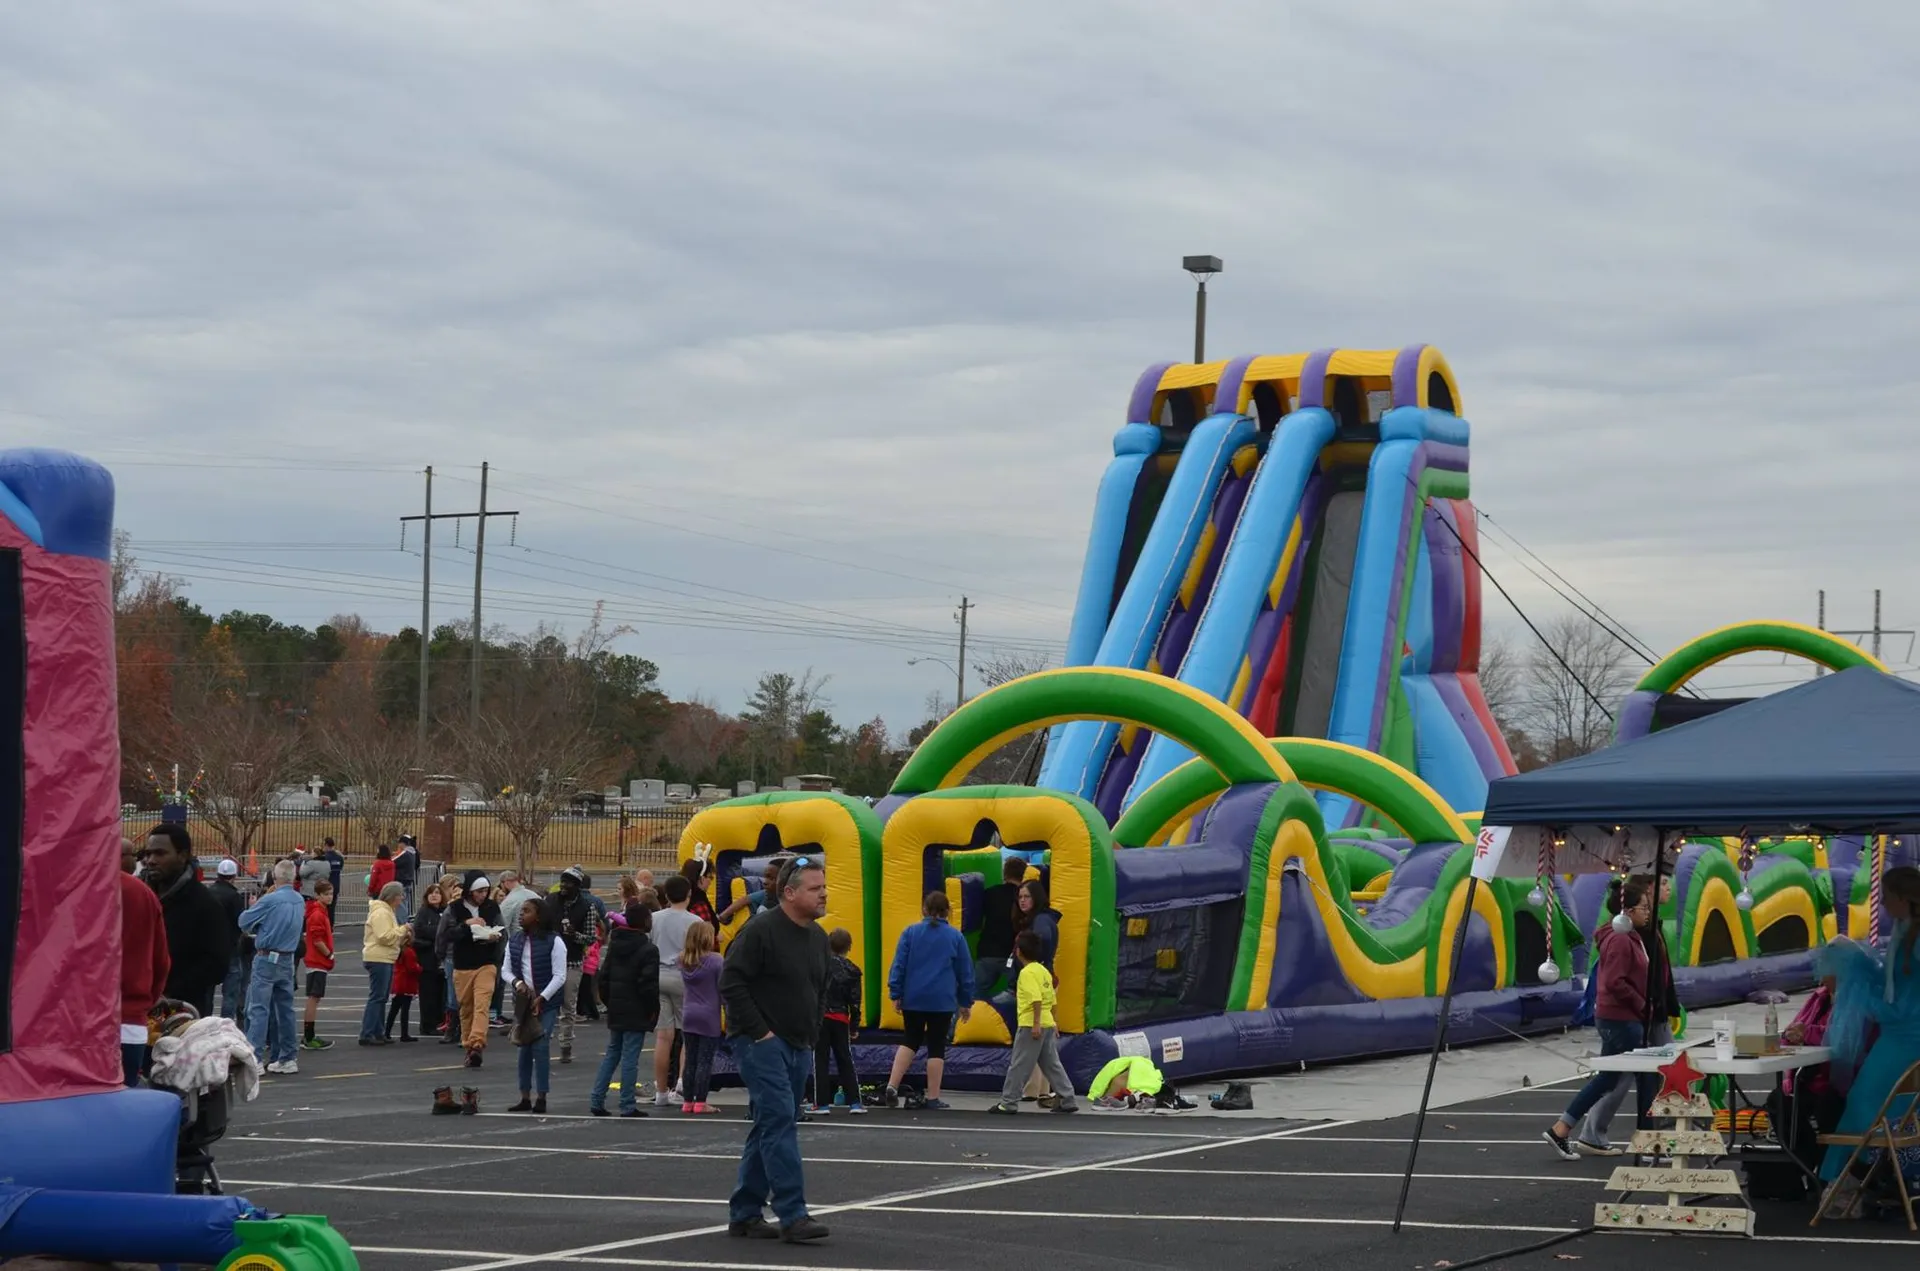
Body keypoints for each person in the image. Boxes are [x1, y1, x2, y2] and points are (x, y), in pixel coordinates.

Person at [720, 856, 832, 1244]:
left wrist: (813, 1031)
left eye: (824, 886)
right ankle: (793, 1214)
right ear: (789, 892)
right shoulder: (760, 930)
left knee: (771, 1122)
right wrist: (761, 1032)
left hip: (799, 1043)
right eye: (815, 888)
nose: (823, 894)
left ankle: (745, 1213)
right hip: (761, 1043)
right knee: (781, 1119)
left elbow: (821, 988)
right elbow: (731, 982)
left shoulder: (818, 937)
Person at [1819, 866, 1920, 1186]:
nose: (1883, 904)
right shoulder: (1904, 931)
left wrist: (1864, 984)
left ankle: (1851, 1174)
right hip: (1901, 1032)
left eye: (1887, 897)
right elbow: (1897, 985)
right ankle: (1883, 1172)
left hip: (1906, 1035)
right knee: (1897, 1106)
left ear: (1904, 898)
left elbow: (1901, 994)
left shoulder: (1914, 938)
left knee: (1864, 1100)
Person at [1544, 882, 1659, 1159]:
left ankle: (1561, 1128)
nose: (1648, 912)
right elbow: (1615, 982)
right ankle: (1647, 1143)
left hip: (1618, 1017)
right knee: (1647, 1075)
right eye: (1644, 907)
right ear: (1628, 911)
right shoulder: (1620, 939)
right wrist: (1643, 1005)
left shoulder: (1627, 936)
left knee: (1608, 1077)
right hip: (1622, 1019)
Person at [1576, 870, 1677, 1154]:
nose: (1667, 888)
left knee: (1640, 1074)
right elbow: (1619, 981)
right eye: (1662, 884)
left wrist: (1666, 1003)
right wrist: (1645, 1005)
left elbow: (1658, 971)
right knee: (1626, 1076)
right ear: (1646, 891)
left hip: (1647, 1010)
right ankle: (1590, 1130)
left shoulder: (1646, 926)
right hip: (1634, 1015)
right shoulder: (1627, 933)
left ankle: (1652, 1133)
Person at [884, 891, 975, 1110]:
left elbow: (899, 964)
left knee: (910, 1039)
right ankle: (933, 1097)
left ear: (924, 909)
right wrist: (965, 1001)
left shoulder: (910, 932)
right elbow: (965, 972)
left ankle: (892, 1085)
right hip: (942, 1000)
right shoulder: (955, 937)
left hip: (914, 997)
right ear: (948, 911)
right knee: (936, 1045)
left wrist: (896, 993)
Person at [143, 823, 234, 1017]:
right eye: (148, 854)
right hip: (135, 1009)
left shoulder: (205, 904)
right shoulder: (140, 898)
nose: (151, 861)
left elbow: (216, 964)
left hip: (182, 1013)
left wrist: (169, 992)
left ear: (182, 855)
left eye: (160, 854)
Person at [991, 930, 1080, 1114]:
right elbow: (1052, 1000)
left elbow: (1036, 999)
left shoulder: (1027, 973)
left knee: (1019, 1064)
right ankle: (1067, 1097)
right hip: (1047, 1023)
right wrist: (1053, 1022)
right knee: (1051, 1064)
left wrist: (1036, 1024)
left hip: (1031, 1024)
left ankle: (1008, 1102)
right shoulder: (1043, 971)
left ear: (1019, 951)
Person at [238, 859, 305, 1074]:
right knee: (285, 1010)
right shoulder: (299, 900)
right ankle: (287, 1057)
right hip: (287, 958)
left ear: (275, 878)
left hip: (267, 957)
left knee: (258, 1009)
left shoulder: (270, 900)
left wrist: (258, 911)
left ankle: (255, 1058)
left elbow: (243, 921)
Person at [590, 910, 659, 1117]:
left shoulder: (615, 945)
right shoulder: (648, 949)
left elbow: (604, 978)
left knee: (613, 1053)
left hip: (618, 1006)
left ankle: (597, 1099)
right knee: (630, 1057)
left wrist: (610, 1002)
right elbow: (648, 984)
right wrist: (652, 1009)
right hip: (637, 1008)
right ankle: (627, 1103)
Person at [504, 897, 567, 1114]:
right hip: (523, 1003)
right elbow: (506, 970)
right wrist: (517, 983)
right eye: (521, 911)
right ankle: (524, 1096)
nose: (521, 914)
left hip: (546, 1003)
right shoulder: (515, 940)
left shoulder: (554, 941)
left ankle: (542, 1096)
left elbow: (559, 975)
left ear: (539, 916)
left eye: (527, 911)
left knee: (540, 1046)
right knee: (523, 1047)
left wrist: (543, 997)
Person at [651, 874, 701, 1107]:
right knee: (688, 1034)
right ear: (688, 895)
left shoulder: (654, 918)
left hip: (658, 975)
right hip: (683, 976)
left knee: (663, 1036)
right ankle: (681, 1084)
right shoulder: (695, 921)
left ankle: (661, 1091)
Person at [119, 859, 170, 1087]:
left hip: (72, 1023)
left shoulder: (67, 884)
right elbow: (161, 961)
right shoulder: (141, 893)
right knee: (125, 1093)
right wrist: (147, 1000)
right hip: (129, 1022)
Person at [449, 872, 505, 1066]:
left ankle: (477, 1044)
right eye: (479, 891)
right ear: (470, 891)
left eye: (486, 891)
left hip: (486, 963)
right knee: (466, 1008)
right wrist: (466, 925)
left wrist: (496, 942)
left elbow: (502, 929)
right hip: (463, 964)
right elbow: (446, 934)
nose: (483, 895)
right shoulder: (454, 908)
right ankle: (469, 1046)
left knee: (482, 1004)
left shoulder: (491, 907)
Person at [810, 928, 864, 1114]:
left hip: (821, 1018)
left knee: (821, 1059)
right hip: (841, 1018)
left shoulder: (819, 966)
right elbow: (855, 1002)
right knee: (845, 1059)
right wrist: (854, 1026)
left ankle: (822, 1103)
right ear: (849, 947)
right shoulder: (853, 971)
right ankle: (854, 1102)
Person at [552, 866, 598, 1063]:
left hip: (572, 961)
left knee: (568, 1006)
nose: (563, 886)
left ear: (577, 886)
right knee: (544, 1004)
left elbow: (591, 938)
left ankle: (565, 1044)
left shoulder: (587, 907)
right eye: (562, 881)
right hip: (549, 960)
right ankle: (541, 1041)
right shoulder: (551, 901)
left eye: (568, 883)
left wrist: (574, 935)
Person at [679, 920, 725, 1114]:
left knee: (690, 1059)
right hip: (709, 1015)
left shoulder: (683, 959)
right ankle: (701, 1102)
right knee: (705, 1061)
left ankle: (687, 1101)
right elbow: (723, 990)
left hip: (688, 1013)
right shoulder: (716, 961)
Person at [360, 881, 410, 1045]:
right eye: (400, 895)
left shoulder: (386, 911)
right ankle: (367, 1033)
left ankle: (378, 1032)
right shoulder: (382, 913)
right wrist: (403, 930)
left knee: (381, 997)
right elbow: (384, 936)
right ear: (393, 897)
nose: (402, 899)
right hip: (378, 958)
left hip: (384, 957)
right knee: (377, 996)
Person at [975, 857, 1027, 997]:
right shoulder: (1024, 897)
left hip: (988, 952)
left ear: (1005, 874)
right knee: (1017, 995)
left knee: (975, 996)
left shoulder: (990, 893)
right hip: (1013, 953)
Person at [211, 857, 251, 1021]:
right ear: (234, 876)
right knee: (230, 992)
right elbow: (241, 922)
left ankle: (205, 1020)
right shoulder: (234, 896)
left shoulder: (208, 892)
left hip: (210, 948)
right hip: (230, 948)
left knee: (207, 991)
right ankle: (226, 1022)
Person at [301, 881, 336, 1050]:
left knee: (315, 997)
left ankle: (309, 1035)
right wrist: (329, 954)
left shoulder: (322, 912)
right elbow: (317, 940)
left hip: (319, 961)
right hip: (317, 961)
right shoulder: (317, 914)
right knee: (314, 998)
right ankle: (309, 1037)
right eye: (326, 894)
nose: (330, 897)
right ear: (318, 895)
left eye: (331, 894)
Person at [413, 881, 450, 1039]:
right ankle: (427, 1025)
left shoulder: (445, 912)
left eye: (437, 893)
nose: (434, 895)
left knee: (440, 993)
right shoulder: (423, 912)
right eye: (431, 893)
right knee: (428, 994)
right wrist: (439, 933)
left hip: (442, 959)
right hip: (427, 959)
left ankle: (440, 1022)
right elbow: (419, 930)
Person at [720, 860, 784, 924]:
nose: (765, 882)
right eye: (765, 877)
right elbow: (744, 900)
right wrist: (723, 916)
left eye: (772, 879)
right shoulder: (765, 893)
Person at [386, 942, 421, 1042]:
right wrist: (419, 968)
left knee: (394, 1009)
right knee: (405, 1010)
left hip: (398, 981)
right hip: (406, 983)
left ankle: (387, 1032)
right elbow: (412, 968)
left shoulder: (398, 950)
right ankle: (404, 1034)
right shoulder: (409, 951)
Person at [682, 857, 719, 928]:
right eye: (710, 877)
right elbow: (706, 931)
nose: (710, 882)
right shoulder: (699, 904)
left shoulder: (680, 897)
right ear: (701, 878)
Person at [394, 833, 420, 911]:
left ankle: (402, 918)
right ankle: (406, 916)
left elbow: (393, 862)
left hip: (401, 880)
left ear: (402, 843)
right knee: (405, 903)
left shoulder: (406, 853)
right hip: (408, 880)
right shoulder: (413, 852)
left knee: (401, 905)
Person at [322, 837, 345, 922]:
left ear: (326, 845)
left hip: (326, 885)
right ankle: (331, 926)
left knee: (323, 908)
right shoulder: (339, 858)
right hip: (336, 885)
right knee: (332, 909)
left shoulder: (325, 857)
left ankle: (325, 925)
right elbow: (341, 867)